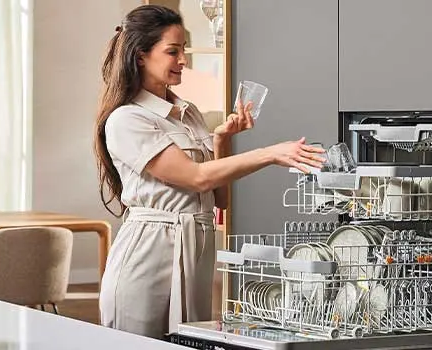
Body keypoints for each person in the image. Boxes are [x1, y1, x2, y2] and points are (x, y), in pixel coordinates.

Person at [93, 4, 325, 339]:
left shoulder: (190, 114)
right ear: (140, 56)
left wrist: (221, 139)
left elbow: (220, 199)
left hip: (196, 253)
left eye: (183, 50)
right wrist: (270, 153)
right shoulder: (127, 119)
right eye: (172, 51)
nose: (183, 60)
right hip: (148, 255)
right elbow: (196, 177)